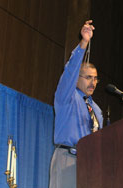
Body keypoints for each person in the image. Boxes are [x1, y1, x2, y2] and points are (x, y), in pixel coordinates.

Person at [49, 20, 103, 188]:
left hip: (90, 165)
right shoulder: (67, 98)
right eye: (88, 77)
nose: (93, 82)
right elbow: (70, 70)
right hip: (67, 158)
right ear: (77, 79)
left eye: (95, 79)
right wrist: (84, 42)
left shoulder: (97, 110)